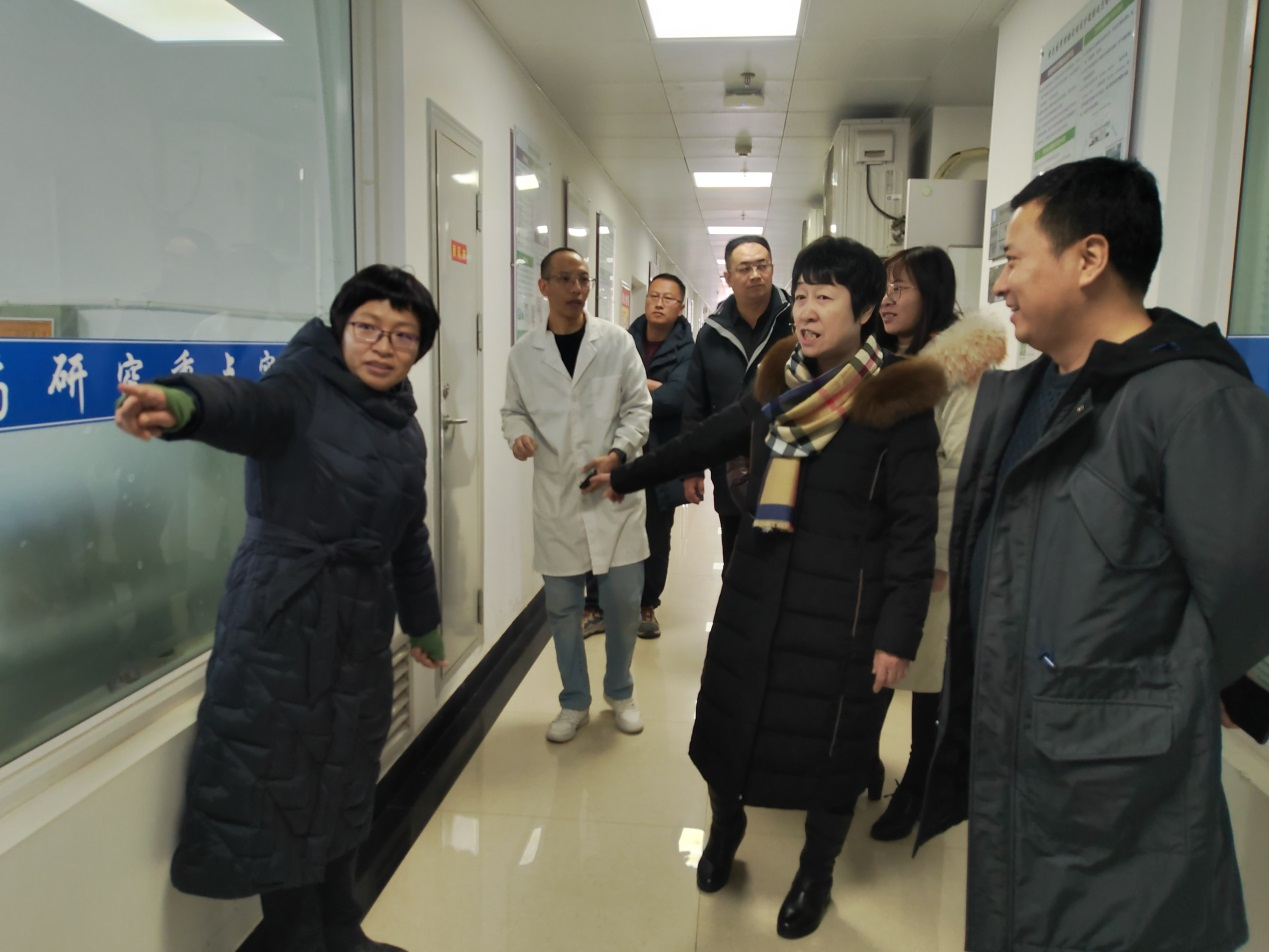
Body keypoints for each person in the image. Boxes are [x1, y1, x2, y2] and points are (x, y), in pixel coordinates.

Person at [917, 157, 1269, 952]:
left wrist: (1140, 693)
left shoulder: (1193, 402)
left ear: (1088, 258)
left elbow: (1245, 595)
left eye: (1013, 259)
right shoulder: (1024, 396)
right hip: (1021, 755)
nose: (999, 284)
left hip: (1116, 785)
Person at [588, 236, 944, 938]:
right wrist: (626, 474)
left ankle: (816, 870)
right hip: (757, 590)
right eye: (802, 295)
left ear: (864, 310)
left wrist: (897, 636)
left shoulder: (895, 403)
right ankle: (725, 829)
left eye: (824, 298)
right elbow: (711, 438)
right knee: (730, 720)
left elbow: (913, 530)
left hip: (841, 611)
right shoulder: (781, 384)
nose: (805, 311)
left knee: (833, 746)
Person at [114, 264, 444, 952]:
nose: (382, 346)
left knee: (345, 778)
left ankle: (342, 929)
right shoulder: (298, 388)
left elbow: (407, 534)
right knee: (279, 782)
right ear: (340, 328)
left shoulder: (403, 427)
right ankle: (296, 938)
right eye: (367, 328)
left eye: (402, 335)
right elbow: (243, 407)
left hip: (358, 626)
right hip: (282, 619)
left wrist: (425, 621)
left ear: (418, 349)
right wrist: (182, 405)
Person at [868, 247, 1007, 841]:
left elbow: (957, 470)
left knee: (926, 676)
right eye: (884, 287)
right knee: (876, 661)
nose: (888, 299)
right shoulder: (886, 359)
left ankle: (920, 785)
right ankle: (863, 762)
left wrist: (939, 557)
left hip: (927, 553)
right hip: (881, 544)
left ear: (932, 293)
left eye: (900, 288)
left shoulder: (957, 368)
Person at [502, 247, 652, 743]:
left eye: (583, 279)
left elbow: (638, 407)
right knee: (563, 609)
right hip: (558, 495)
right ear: (543, 286)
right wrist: (517, 434)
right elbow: (513, 411)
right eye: (565, 279)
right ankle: (573, 702)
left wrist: (618, 454)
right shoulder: (523, 354)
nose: (577, 288)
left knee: (624, 602)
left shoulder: (616, 342)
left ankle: (621, 692)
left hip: (614, 495)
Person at [582, 273, 697, 640]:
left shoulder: (690, 351)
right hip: (618, 451)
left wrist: (632, 389)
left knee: (655, 534)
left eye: (668, 298)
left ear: (680, 307)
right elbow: (600, 388)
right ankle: (595, 606)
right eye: (654, 296)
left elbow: (678, 398)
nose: (659, 303)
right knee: (603, 527)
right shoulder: (620, 341)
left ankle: (647, 606)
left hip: (662, 454)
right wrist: (650, 388)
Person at [682, 235, 793, 571]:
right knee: (735, 560)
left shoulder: (796, 321)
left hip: (789, 458)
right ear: (728, 277)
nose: (755, 275)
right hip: (730, 465)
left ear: (772, 269)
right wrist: (692, 468)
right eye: (745, 268)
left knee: (782, 561)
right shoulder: (712, 332)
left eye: (762, 265)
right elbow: (696, 402)